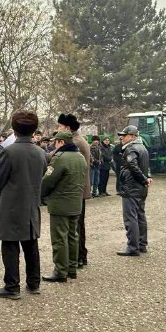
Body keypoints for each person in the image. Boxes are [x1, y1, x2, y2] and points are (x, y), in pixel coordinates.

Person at [0, 111, 47, 299]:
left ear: (14, 130)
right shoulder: (41, 152)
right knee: (31, 245)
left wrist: (1, 196)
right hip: (32, 204)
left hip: (12, 205)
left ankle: (12, 286)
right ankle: (33, 283)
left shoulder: (8, 152)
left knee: (10, 245)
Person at [41, 131, 88, 282]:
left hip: (60, 203)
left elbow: (48, 181)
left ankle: (60, 271)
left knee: (59, 238)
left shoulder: (59, 159)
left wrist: (41, 193)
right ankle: (72, 268)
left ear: (61, 142)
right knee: (73, 235)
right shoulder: (80, 157)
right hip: (75, 202)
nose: (54, 144)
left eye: (56, 142)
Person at [56, 114, 91, 268]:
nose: (58, 130)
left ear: (67, 128)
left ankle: (78, 256)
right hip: (79, 188)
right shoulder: (79, 140)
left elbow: (60, 159)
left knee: (75, 226)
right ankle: (80, 256)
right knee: (78, 225)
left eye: (60, 127)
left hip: (75, 189)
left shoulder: (74, 142)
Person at [116, 125, 152, 256]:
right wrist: (147, 178)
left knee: (131, 218)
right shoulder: (143, 148)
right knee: (140, 216)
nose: (121, 138)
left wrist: (144, 179)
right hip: (141, 189)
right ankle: (142, 244)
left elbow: (133, 166)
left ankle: (133, 247)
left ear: (132, 136)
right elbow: (146, 165)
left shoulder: (131, 149)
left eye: (124, 136)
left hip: (132, 188)